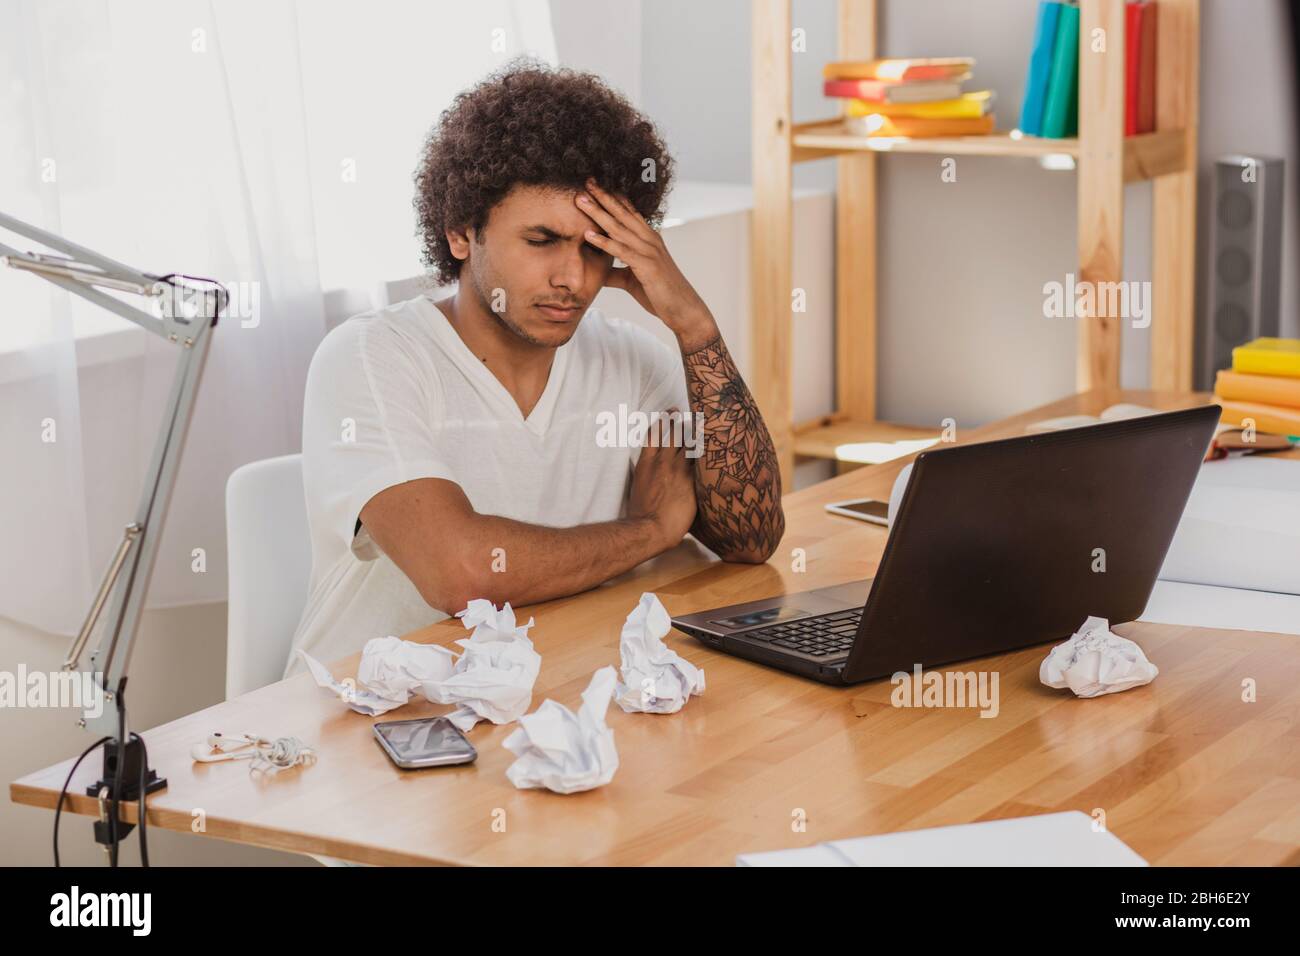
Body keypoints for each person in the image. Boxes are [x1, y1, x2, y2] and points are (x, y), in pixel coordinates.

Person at [285, 59, 784, 675]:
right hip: (370, 723)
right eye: (542, 240)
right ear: (462, 234)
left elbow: (751, 540)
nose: (572, 279)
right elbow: (461, 574)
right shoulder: (371, 357)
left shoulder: (635, 360)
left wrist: (696, 328)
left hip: (550, 700)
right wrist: (653, 529)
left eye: (596, 249)